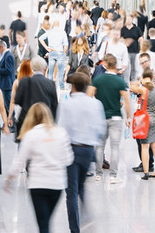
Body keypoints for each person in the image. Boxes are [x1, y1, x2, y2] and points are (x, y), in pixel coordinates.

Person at [5, 103, 73, 233]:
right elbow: (69, 159)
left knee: (43, 224)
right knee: (46, 221)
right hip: (57, 185)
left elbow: (20, 160)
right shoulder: (61, 132)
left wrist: (9, 178)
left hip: (38, 184)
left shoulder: (31, 135)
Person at [57, 72, 106, 233]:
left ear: (73, 86)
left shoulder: (66, 104)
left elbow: (61, 129)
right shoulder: (96, 104)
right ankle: (86, 215)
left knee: (71, 192)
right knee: (81, 184)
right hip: (88, 150)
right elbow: (101, 129)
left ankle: (75, 229)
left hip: (72, 150)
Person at [88, 54, 131, 183]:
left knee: (100, 147)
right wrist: (129, 117)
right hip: (116, 117)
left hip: (101, 118)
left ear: (105, 64)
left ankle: (98, 174)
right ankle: (113, 176)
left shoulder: (98, 80)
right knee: (114, 147)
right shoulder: (120, 81)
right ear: (116, 66)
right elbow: (127, 101)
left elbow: (89, 97)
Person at [129, 69, 155, 180]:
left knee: (145, 146)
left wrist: (139, 81)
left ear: (143, 77)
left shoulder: (143, 90)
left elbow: (131, 86)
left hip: (145, 120)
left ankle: (146, 172)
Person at [15, 57, 59, 140]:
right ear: (45, 68)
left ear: (32, 68)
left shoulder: (24, 81)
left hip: (27, 121)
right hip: (44, 123)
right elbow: (54, 105)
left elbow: (17, 100)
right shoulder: (51, 84)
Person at [121, 13, 143, 82]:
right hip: (125, 51)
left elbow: (141, 39)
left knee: (134, 66)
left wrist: (141, 48)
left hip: (135, 51)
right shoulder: (123, 29)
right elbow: (120, 39)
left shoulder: (136, 29)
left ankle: (133, 80)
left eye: (130, 19)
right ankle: (126, 80)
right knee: (126, 66)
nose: (128, 20)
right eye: (127, 19)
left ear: (132, 20)